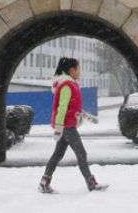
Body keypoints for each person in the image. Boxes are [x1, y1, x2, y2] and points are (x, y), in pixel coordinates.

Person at [38, 57, 107, 193]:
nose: (80, 71)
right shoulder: (66, 86)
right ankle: (91, 183)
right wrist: (58, 128)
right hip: (67, 127)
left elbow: (74, 107)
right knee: (81, 154)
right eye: (78, 68)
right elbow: (62, 108)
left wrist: (87, 116)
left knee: (57, 155)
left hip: (67, 125)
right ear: (71, 70)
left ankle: (44, 182)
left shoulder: (72, 84)